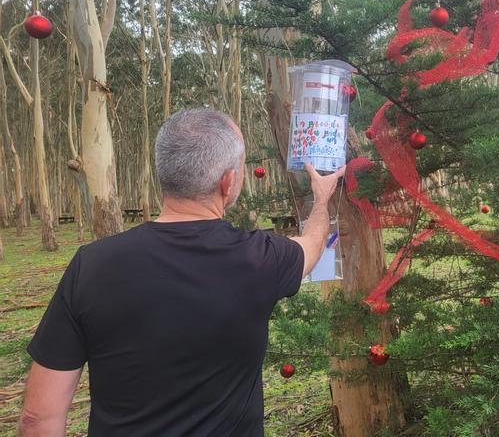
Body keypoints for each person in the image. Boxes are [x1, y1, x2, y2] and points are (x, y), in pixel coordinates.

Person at [17, 109, 344, 436]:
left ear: (165, 172)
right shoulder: (260, 258)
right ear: (227, 182)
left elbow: (38, 417)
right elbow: (314, 245)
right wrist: (321, 201)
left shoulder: (91, 265)